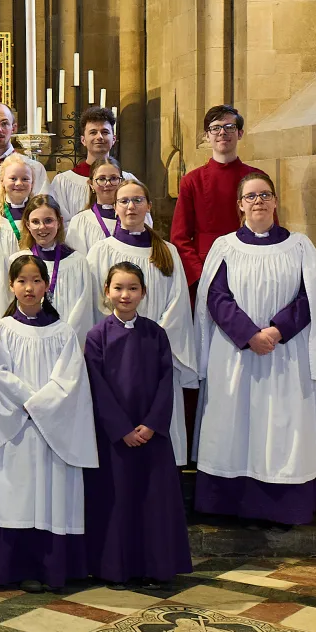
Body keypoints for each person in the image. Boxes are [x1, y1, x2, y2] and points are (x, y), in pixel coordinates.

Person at [193, 173, 316, 526]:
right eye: (250, 196)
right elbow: (215, 297)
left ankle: (284, 504)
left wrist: (276, 330)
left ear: (276, 202)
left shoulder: (300, 246)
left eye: (265, 195)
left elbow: (312, 298)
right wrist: (248, 334)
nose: (258, 201)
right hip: (236, 355)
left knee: (284, 426)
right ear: (240, 206)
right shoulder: (225, 246)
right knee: (233, 424)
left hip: (286, 355)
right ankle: (229, 502)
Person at [0, 255, 97, 591]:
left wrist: (39, 406)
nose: (30, 288)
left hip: (54, 430)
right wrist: (33, 404)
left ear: (46, 285)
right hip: (17, 427)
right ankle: (15, 568)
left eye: (36, 280)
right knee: (18, 495)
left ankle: (54, 568)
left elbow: (70, 379)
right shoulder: (1, 330)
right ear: (11, 286)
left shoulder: (63, 332)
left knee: (53, 493)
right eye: (22, 281)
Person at [83, 262, 193, 584]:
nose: (125, 294)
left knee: (152, 502)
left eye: (132, 288)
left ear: (143, 292)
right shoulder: (97, 336)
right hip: (114, 438)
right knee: (117, 501)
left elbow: (165, 380)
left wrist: (151, 425)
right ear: (107, 292)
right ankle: (115, 568)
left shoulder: (155, 334)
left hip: (151, 436)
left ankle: (155, 567)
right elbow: (97, 387)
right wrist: (121, 430)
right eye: (118, 288)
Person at [73, 181, 196, 465]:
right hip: (115, 357)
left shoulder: (166, 251)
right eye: (124, 201)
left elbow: (177, 303)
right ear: (115, 208)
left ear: (148, 206)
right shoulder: (101, 252)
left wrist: (153, 341)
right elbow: (94, 302)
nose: (131, 206)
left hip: (156, 351)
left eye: (138, 200)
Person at [171, 105, 267, 293]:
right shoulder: (192, 181)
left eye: (229, 127)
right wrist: (201, 277)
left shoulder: (258, 178)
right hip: (207, 270)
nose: (223, 132)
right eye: (216, 128)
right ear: (207, 135)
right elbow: (179, 237)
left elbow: (270, 228)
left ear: (240, 133)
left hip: (251, 267)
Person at [0, 196, 89, 327]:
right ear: (27, 225)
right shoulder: (16, 261)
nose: (42, 227)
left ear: (59, 222)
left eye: (48, 221)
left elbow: (83, 310)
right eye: (35, 222)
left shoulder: (78, 262)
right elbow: (5, 304)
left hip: (66, 338)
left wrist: (64, 334)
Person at [49, 106, 135, 223]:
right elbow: (59, 223)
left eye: (105, 132)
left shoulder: (128, 180)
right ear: (83, 140)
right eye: (93, 132)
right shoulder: (62, 182)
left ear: (113, 139)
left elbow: (142, 220)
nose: (99, 137)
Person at [66, 158, 130, 257]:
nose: (108, 183)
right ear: (91, 184)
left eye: (113, 178)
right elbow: (78, 264)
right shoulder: (80, 222)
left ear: (122, 181)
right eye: (101, 179)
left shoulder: (135, 217)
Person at [0, 155, 36, 262]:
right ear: (2, 181)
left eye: (25, 179)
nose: (19, 183)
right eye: (13, 178)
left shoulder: (39, 220)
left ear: (32, 183)